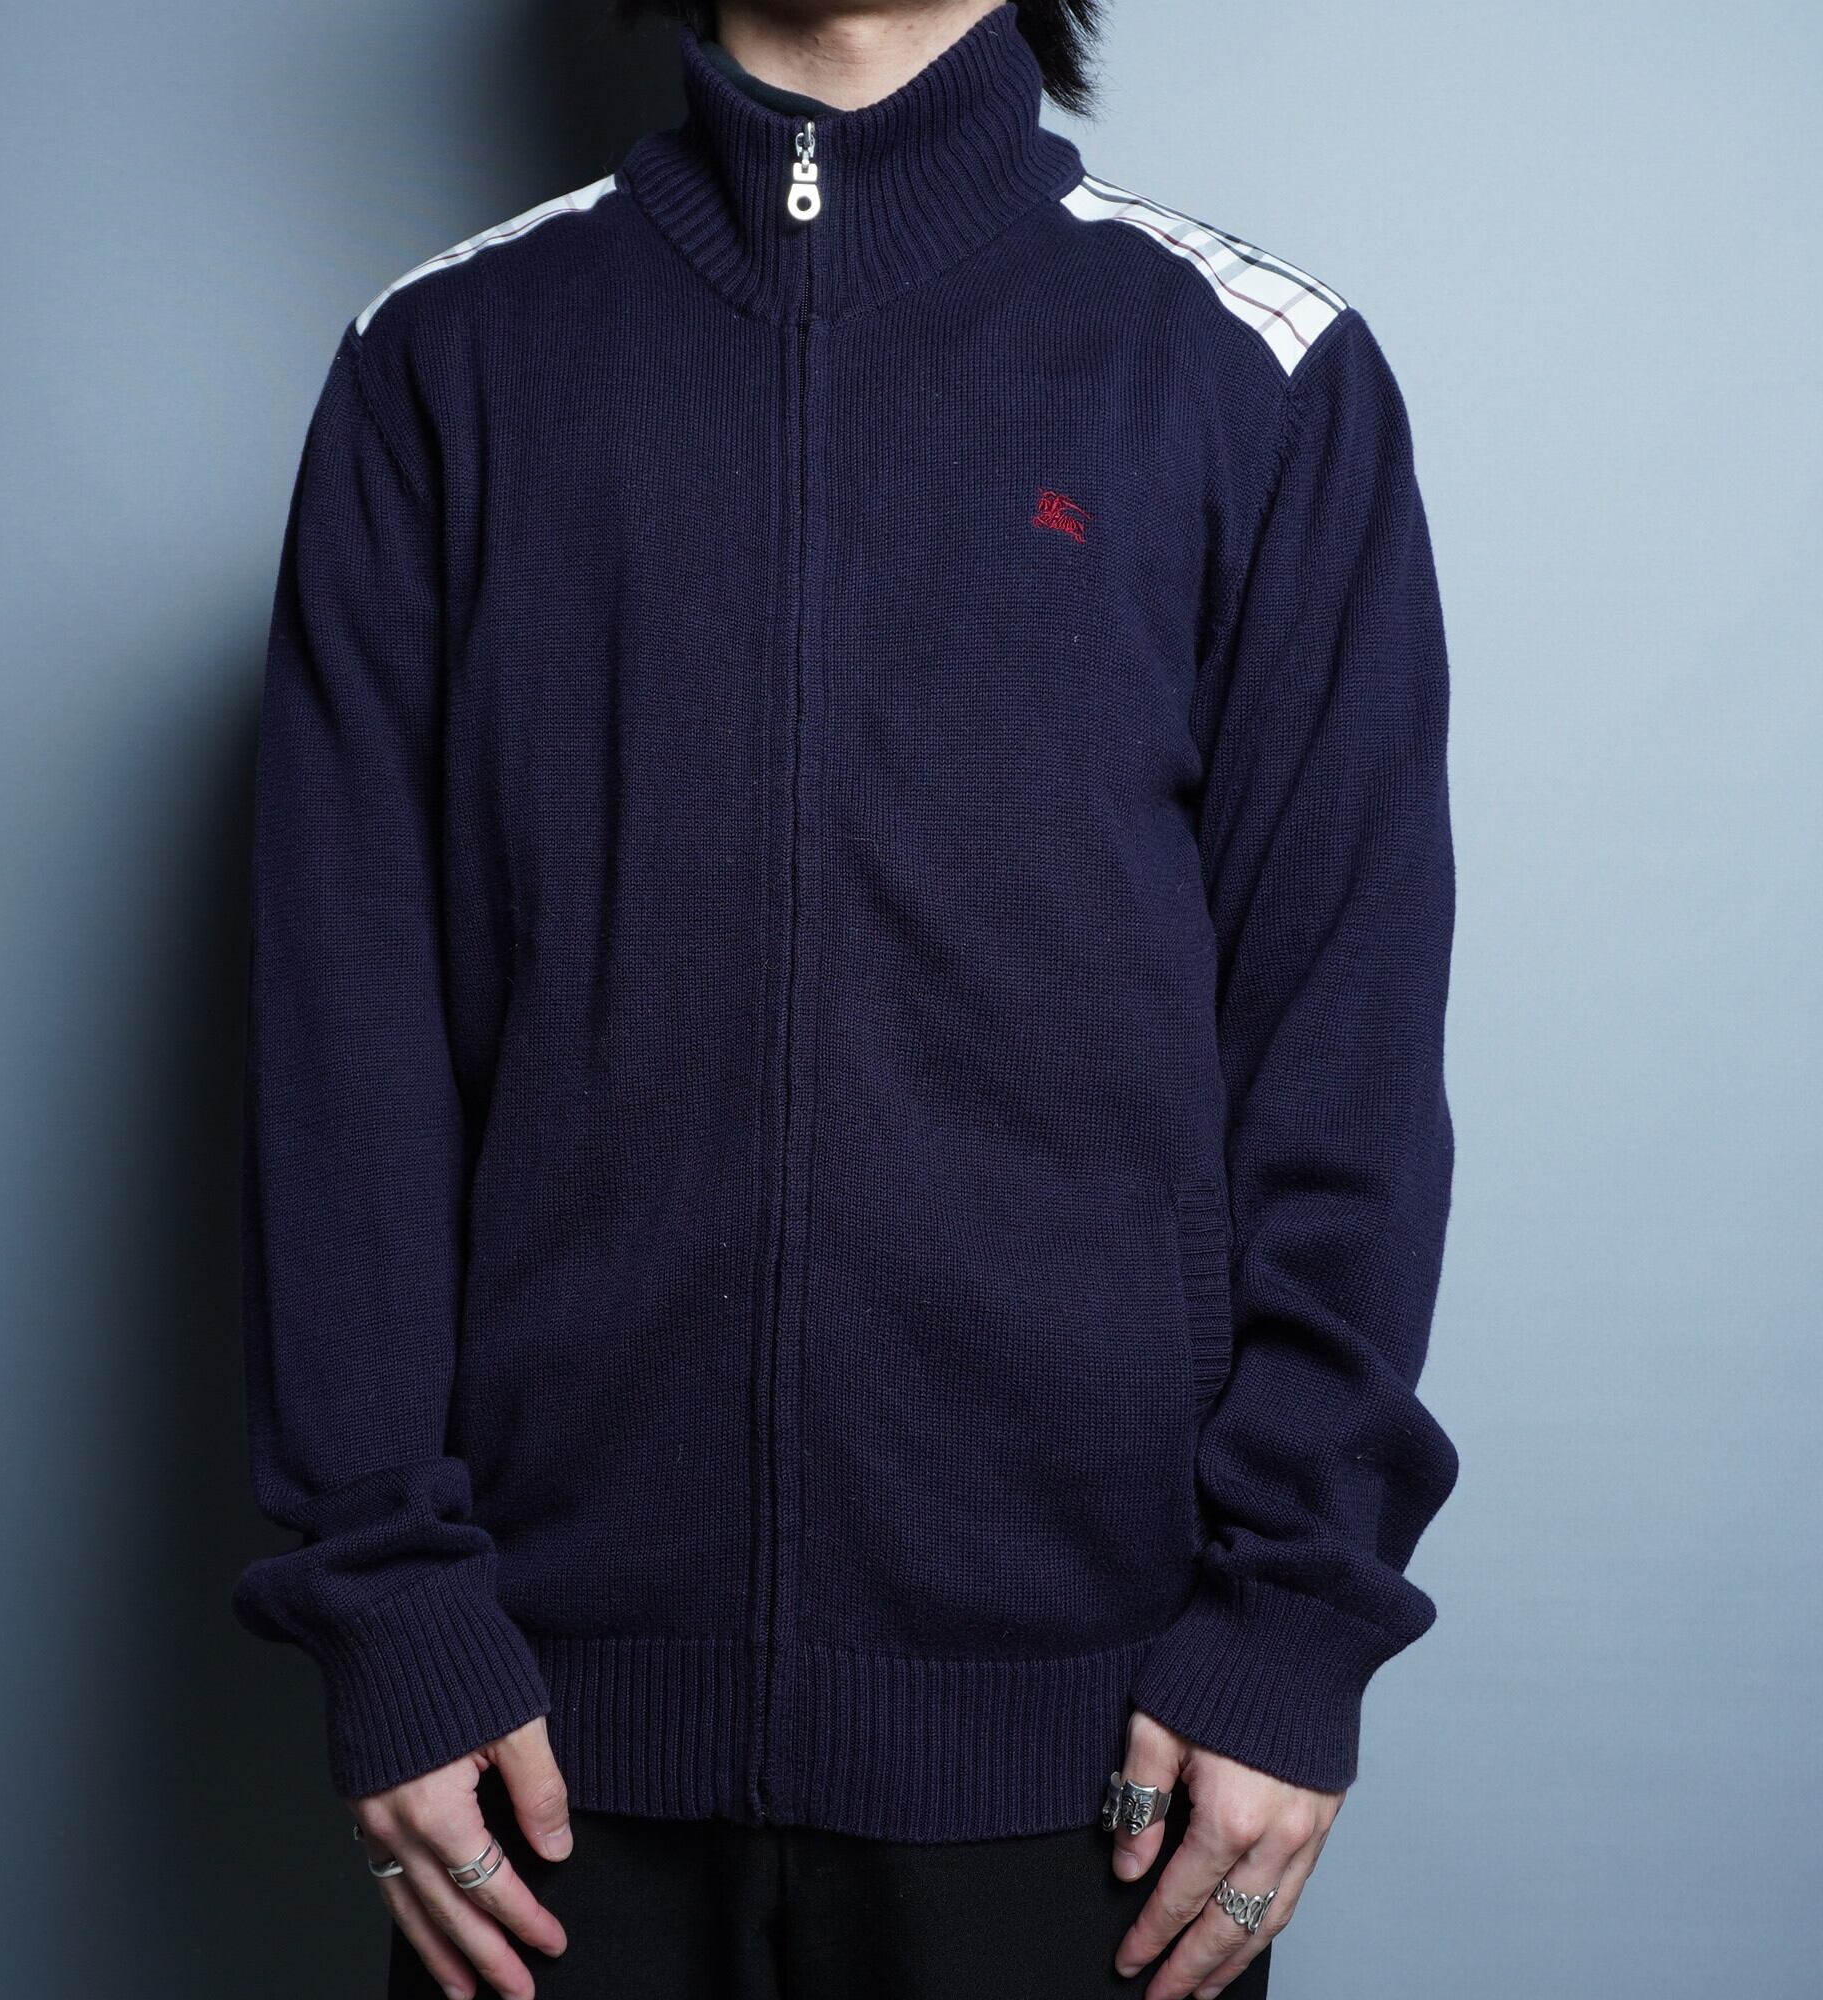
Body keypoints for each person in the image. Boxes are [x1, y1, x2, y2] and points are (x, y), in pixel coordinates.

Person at [230, 1, 1461, 1995]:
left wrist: (1290, 1626)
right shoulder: (443, 363)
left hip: (1102, 1761)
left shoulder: (1254, 371)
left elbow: (1348, 1063)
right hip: (534, 1764)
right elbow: (341, 1058)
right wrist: (389, 1613)